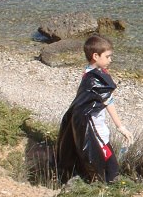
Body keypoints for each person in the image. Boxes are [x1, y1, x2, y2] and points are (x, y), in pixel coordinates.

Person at [56, 34, 133, 183]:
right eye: (108, 56)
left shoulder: (91, 74)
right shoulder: (94, 79)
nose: (110, 60)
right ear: (96, 56)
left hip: (97, 128)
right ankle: (104, 189)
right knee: (110, 168)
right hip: (94, 130)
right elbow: (107, 101)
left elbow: (102, 100)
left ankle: (101, 186)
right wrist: (121, 127)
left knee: (105, 164)